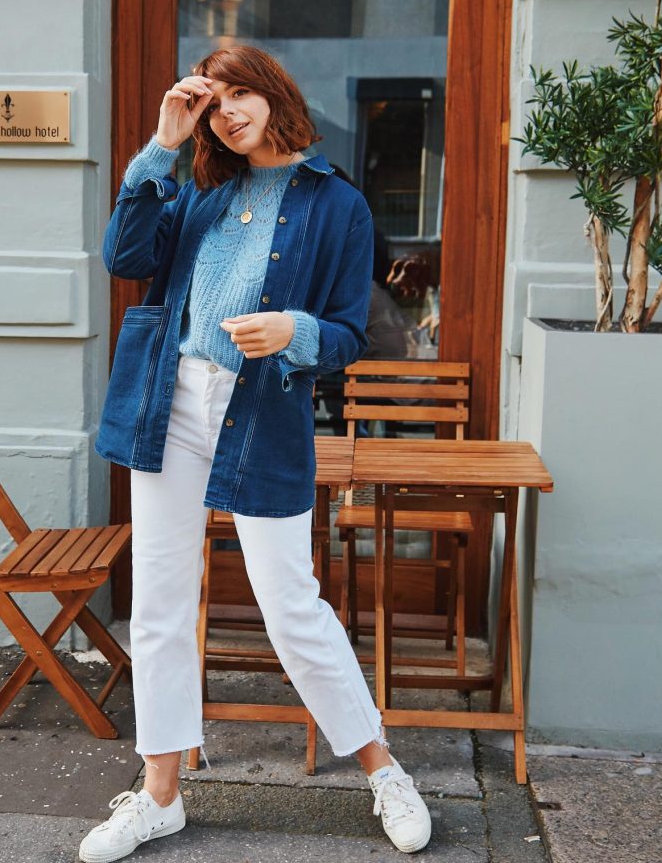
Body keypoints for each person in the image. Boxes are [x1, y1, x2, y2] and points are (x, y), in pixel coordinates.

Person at [79, 45, 432, 862]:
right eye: (214, 102)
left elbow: (348, 333)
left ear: (274, 96)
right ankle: (159, 793)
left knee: (290, 603)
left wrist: (292, 332)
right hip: (168, 405)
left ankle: (383, 770)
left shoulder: (335, 203)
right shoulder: (201, 193)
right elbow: (125, 258)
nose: (228, 112)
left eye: (241, 93)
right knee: (159, 605)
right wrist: (163, 145)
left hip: (260, 415)